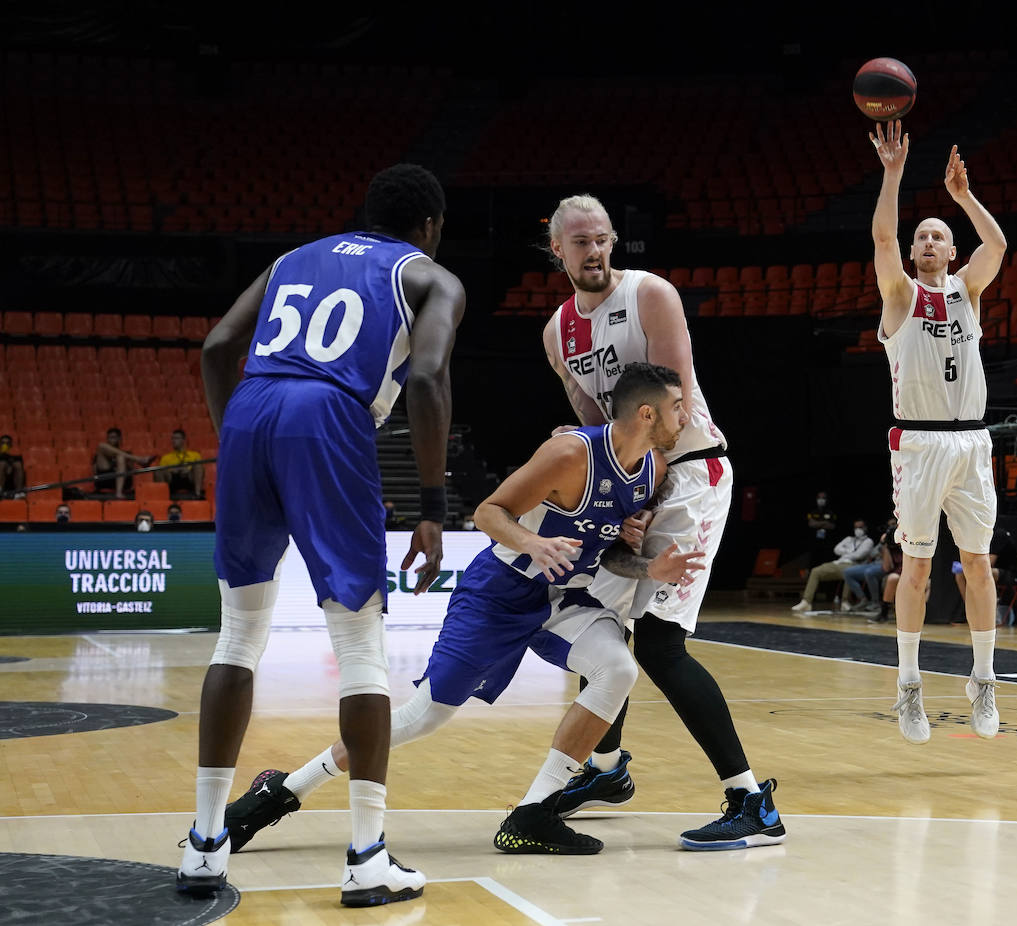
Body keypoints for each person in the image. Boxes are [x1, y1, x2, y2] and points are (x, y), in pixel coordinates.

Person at [221, 364, 703, 858]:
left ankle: (533, 814)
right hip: (500, 592)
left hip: (564, 599)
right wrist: (532, 542)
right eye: (677, 407)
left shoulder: (652, 470)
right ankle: (283, 790)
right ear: (647, 413)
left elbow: (610, 551)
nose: (686, 416)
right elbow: (488, 512)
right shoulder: (569, 453)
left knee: (618, 669)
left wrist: (649, 569)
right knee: (422, 716)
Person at [175, 163, 465, 909]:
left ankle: (205, 843)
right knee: (359, 643)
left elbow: (216, 346)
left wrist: (240, 439)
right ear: (429, 226)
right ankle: (367, 856)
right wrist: (433, 504)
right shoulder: (430, 277)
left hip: (251, 409)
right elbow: (427, 378)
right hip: (328, 416)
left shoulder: (290, 259)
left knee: (237, 636)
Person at [540, 194, 785, 850]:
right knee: (597, 623)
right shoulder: (558, 332)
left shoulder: (650, 295)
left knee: (657, 645)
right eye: (581, 242)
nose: (595, 251)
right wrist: (607, 492)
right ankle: (605, 769)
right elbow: (595, 423)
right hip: (637, 485)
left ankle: (751, 801)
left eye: (602, 239)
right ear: (557, 249)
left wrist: (641, 498)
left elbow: (674, 404)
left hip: (689, 475)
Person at [870, 121, 1008, 744]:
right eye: (921, 235)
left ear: (952, 252)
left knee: (978, 565)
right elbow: (881, 236)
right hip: (919, 444)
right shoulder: (899, 296)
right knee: (918, 569)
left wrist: (964, 198)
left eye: (938, 236)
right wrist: (893, 174)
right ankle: (908, 685)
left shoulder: (967, 291)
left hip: (972, 442)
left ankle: (983, 680)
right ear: (913, 251)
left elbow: (998, 245)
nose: (928, 240)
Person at [791, 519, 875, 613]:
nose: (857, 529)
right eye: (856, 527)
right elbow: (836, 549)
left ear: (865, 528)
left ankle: (845, 602)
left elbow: (859, 555)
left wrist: (846, 553)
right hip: (838, 563)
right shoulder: (849, 539)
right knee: (815, 571)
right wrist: (849, 552)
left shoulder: (868, 541)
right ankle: (806, 602)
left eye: (860, 527)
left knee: (849, 572)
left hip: (854, 564)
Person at [952, 525, 1017, 626]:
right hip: (990, 570)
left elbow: (989, 563)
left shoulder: (999, 535)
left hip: (1011, 573)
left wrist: (969, 567)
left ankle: (990, 612)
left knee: (982, 573)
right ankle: (971, 609)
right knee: (959, 574)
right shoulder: (978, 537)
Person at [93, 428, 154, 498]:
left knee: (121, 457)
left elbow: (131, 471)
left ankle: (118, 493)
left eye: (113, 437)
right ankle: (140, 460)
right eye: (109, 438)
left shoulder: (127, 453)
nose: (111, 440)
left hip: (122, 481)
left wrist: (124, 465)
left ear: (119, 438)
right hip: (105, 479)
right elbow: (95, 470)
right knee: (101, 445)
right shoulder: (101, 453)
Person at [156, 429, 205, 498]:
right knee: (158, 470)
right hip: (173, 479)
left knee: (198, 465)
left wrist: (188, 469)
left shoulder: (195, 455)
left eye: (176, 438)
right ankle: (163, 497)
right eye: (172, 438)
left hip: (188, 477)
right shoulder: (166, 457)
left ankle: (197, 494)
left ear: (183, 440)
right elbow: (163, 472)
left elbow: (201, 471)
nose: (173, 441)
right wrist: (172, 470)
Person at [805, 490, 838, 567]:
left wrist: (817, 523)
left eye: (823, 498)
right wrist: (825, 522)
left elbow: (832, 526)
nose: (821, 500)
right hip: (814, 540)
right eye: (819, 498)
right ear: (816, 499)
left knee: (826, 560)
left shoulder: (831, 512)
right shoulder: (812, 511)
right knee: (813, 559)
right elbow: (811, 524)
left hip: (827, 541)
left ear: (827, 500)